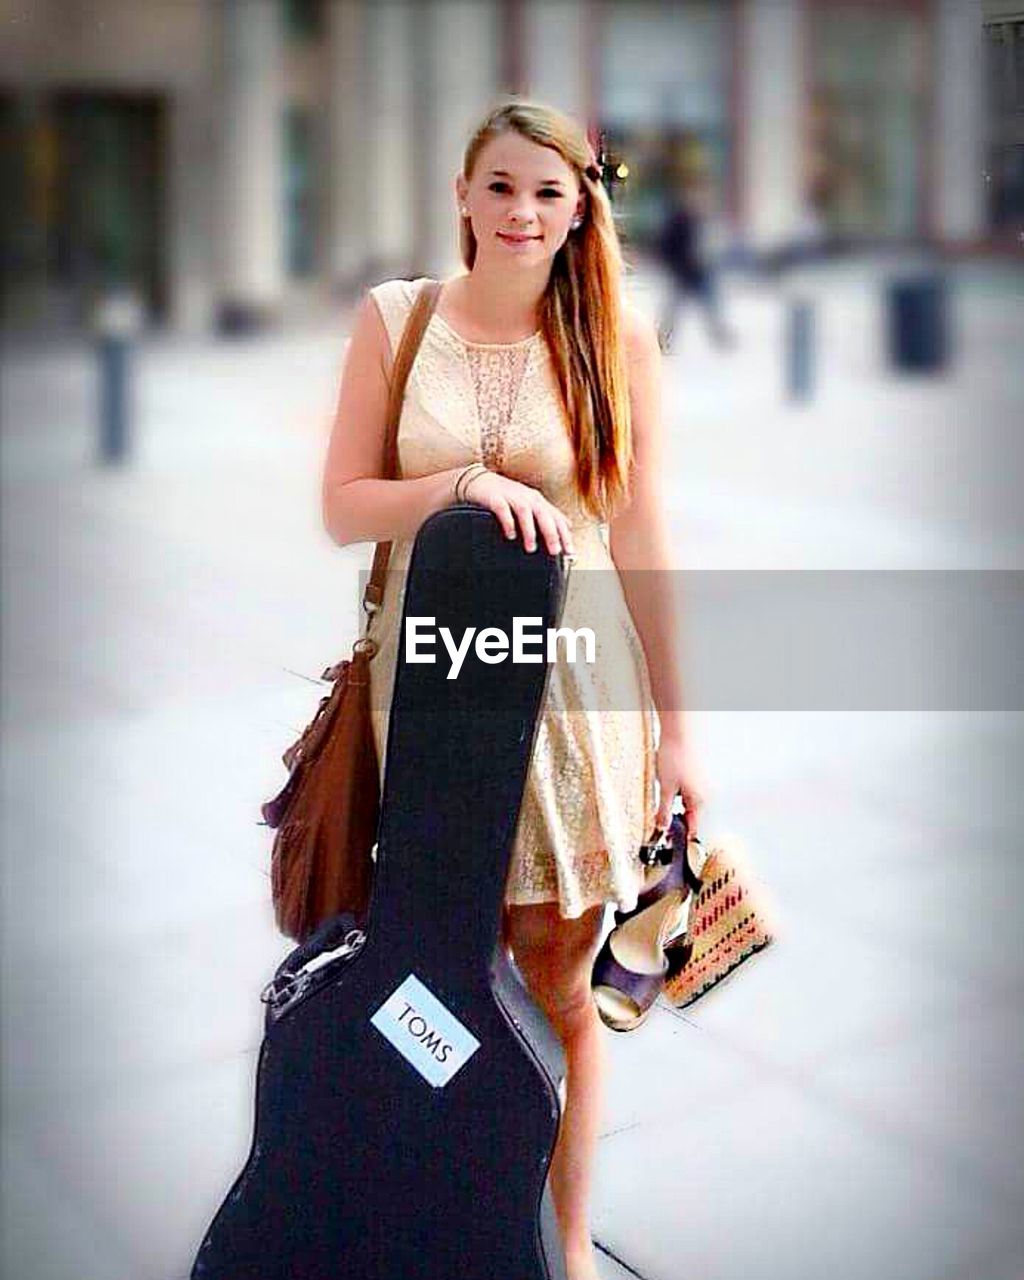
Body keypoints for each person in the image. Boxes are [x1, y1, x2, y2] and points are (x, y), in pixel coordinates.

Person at [321, 98, 705, 1280]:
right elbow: (342, 507)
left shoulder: (614, 336)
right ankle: (442, 1212)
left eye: (549, 189)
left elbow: (640, 536)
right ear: (461, 192)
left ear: (581, 200)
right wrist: (463, 483)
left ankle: (564, 1244)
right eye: (500, 186)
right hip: (430, 688)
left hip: (574, 701)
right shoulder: (397, 319)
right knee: (430, 956)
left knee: (552, 976)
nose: (523, 212)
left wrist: (680, 730)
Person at [657, 169, 736, 352]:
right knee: (676, 307)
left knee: (710, 303)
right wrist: (676, 265)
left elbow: (704, 242)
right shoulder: (679, 220)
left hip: (700, 270)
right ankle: (662, 339)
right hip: (685, 271)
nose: (700, 200)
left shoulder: (697, 218)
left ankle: (720, 335)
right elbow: (667, 245)